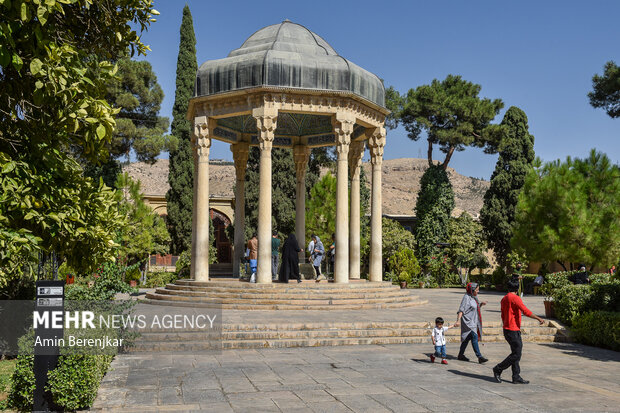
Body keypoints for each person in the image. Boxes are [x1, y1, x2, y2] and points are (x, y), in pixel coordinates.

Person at [493, 279, 545, 384]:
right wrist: (539, 318)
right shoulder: (515, 298)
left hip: (508, 329)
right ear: (517, 289)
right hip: (513, 329)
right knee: (517, 354)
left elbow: (502, 315)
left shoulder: (504, 298)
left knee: (516, 352)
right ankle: (498, 368)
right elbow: (525, 311)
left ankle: (516, 376)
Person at [455, 282, 488, 363]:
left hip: (473, 321)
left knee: (466, 339)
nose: (478, 292)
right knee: (474, 337)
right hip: (468, 322)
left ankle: (460, 355)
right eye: (477, 290)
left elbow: (473, 308)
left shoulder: (474, 297)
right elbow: (461, 310)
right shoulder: (466, 298)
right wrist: (458, 320)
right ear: (472, 290)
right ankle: (479, 356)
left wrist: (480, 305)